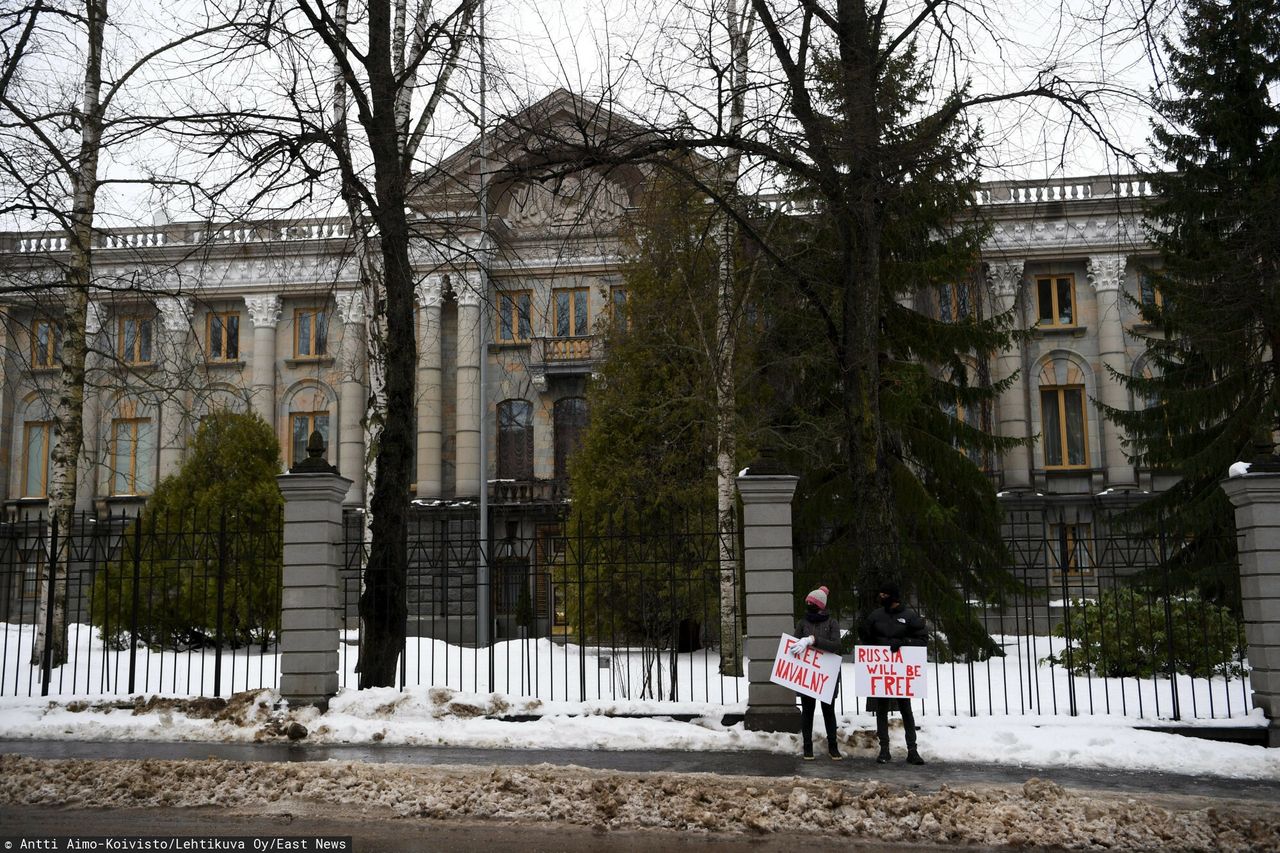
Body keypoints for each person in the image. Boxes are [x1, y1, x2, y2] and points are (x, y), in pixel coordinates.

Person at [858, 581, 929, 765]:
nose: (881, 598)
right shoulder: (876, 615)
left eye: (884, 595)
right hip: (883, 672)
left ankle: (912, 750)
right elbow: (867, 638)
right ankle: (884, 750)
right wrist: (867, 637)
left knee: (906, 709)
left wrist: (904, 642)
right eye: (880, 595)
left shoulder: (910, 616)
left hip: (900, 673)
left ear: (893, 597)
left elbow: (922, 640)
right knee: (881, 709)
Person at [790, 584, 843, 760]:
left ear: (820, 605)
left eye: (811, 602)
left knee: (828, 711)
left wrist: (813, 640)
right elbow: (793, 645)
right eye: (807, 601)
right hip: (807, 674)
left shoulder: (832, 622)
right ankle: (807, 746)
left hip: (826, 675)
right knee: (808, 710)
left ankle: (833, 746)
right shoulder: (802, 623)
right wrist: (797, 644)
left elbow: (836, 646)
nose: (808, 604)